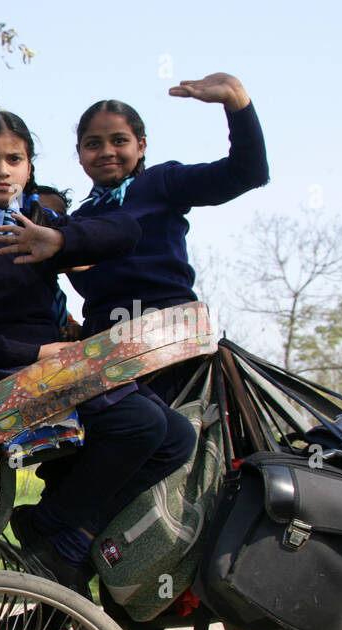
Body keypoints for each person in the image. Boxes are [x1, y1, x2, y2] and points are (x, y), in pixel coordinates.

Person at [0, 110, 193, 593]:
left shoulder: (41, 224)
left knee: (178, 439)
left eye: (14, 159)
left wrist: (60, 240)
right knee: (143, 425)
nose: (1, 170)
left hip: (57, 368)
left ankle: (70, 533)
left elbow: (126, 234)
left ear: (29, 168)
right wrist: (35, 352)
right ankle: (50, 527)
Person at [68, 73, 269, 399]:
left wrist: (236, 102)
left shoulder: (161, 182)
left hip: (171, 338)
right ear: (79, 154)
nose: (107, 151)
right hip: (105, 350)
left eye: (119, 140)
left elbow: (249, 172)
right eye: (94, 144)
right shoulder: (74, 223)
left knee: (183, 438)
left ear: (141, 145)